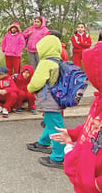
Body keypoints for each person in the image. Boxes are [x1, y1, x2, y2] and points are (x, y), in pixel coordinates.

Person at [50, 41, 102, 192]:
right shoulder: (99, 99)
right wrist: (74, 134)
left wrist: (95, 185)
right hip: (85, 180)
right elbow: (94, 124)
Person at [26, 35, 65, 169]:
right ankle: (44, 142)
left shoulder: (46, 63)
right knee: (50, 122)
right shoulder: (59, 61)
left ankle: (58, 157)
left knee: (56, 126)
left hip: (49, 100)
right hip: (58, 99)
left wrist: (29, 88)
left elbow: (36, 83)